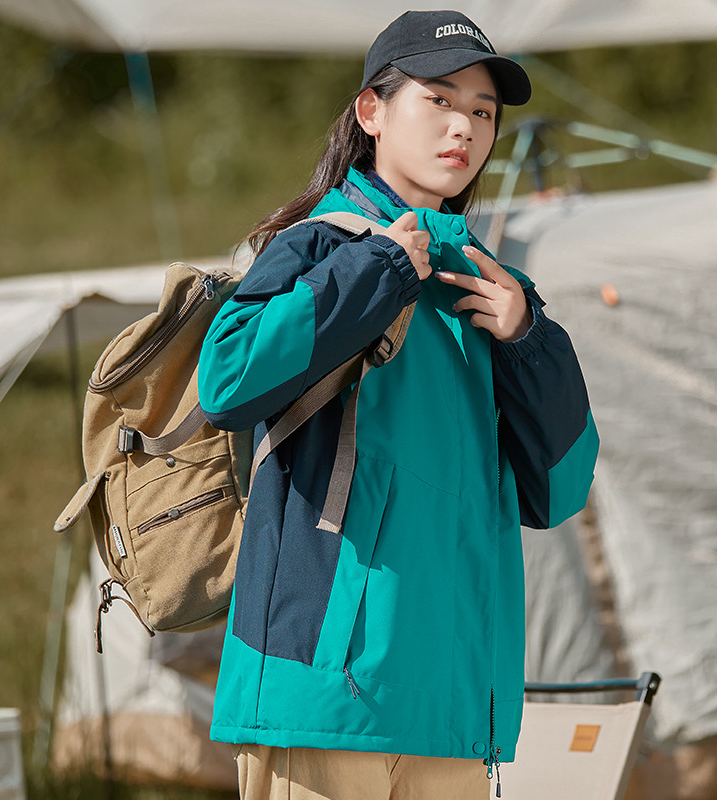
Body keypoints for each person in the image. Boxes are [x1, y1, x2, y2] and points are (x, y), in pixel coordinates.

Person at [198, 9, 599, 800]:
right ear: (371, 111)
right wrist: (379, 269)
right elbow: (229, 379)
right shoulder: (323, 243)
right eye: (439, 100)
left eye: (483, 112)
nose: (464, 127)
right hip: (322, 695)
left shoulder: (490, 288)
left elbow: (561, 492)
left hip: (451, 706)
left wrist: (528, 342)